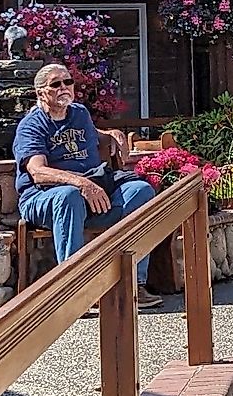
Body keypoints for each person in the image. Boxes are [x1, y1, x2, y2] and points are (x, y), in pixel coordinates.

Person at [12, 63, 159, 308]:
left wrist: (111, 134)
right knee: (69, 196)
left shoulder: (79, 113)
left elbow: (92, 133)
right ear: (40, 93)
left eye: (68, 82)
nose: (64, 88)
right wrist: (82, 183)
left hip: (90, 192)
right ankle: (74, 290)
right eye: (55, 84)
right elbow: (37, 172)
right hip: (43, 198)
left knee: (141, 192)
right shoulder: (31, 126)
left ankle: (135, 284)